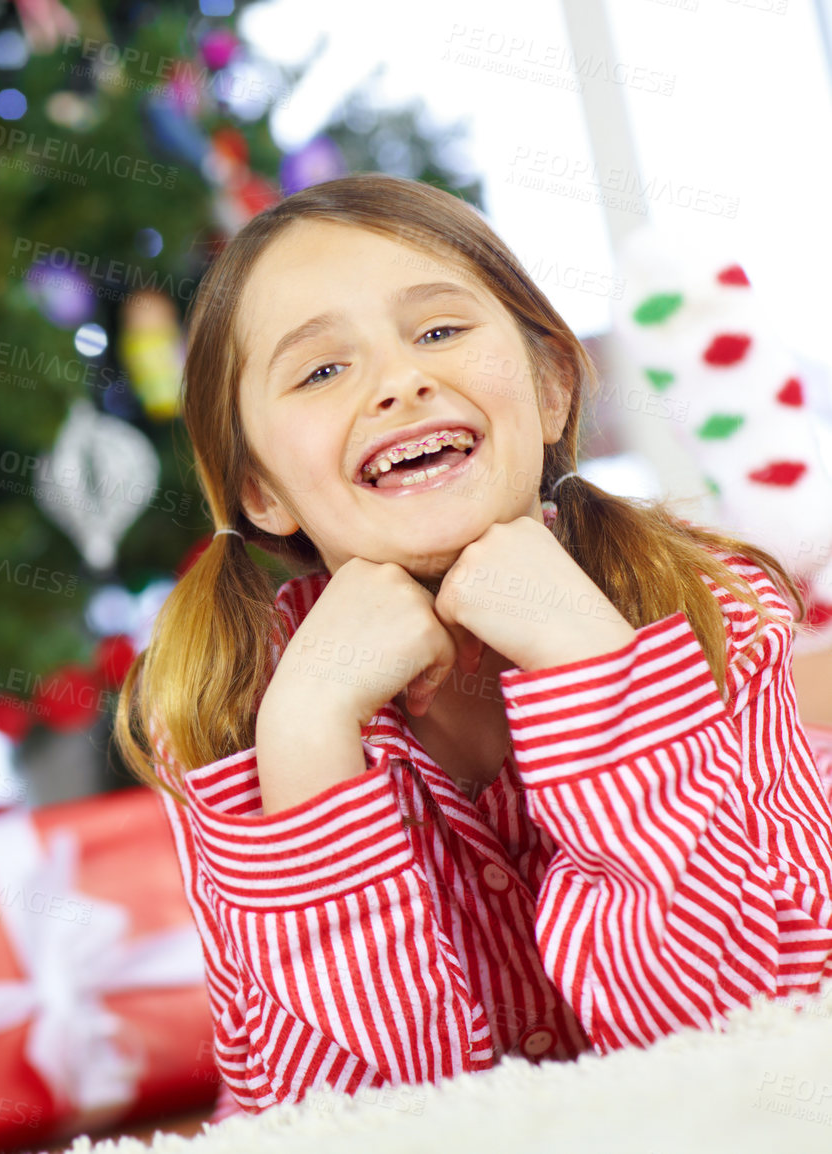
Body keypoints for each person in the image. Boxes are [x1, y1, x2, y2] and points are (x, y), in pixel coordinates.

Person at [111, 172, 832, 1122]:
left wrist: (591, 666)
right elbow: (329, 1127)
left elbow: (760, 1026)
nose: (399, 382)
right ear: (260, 491)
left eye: (440, 331)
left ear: (549, 386)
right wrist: (308, 738)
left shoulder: (715, 612)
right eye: (322, 370)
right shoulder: (234, 719)